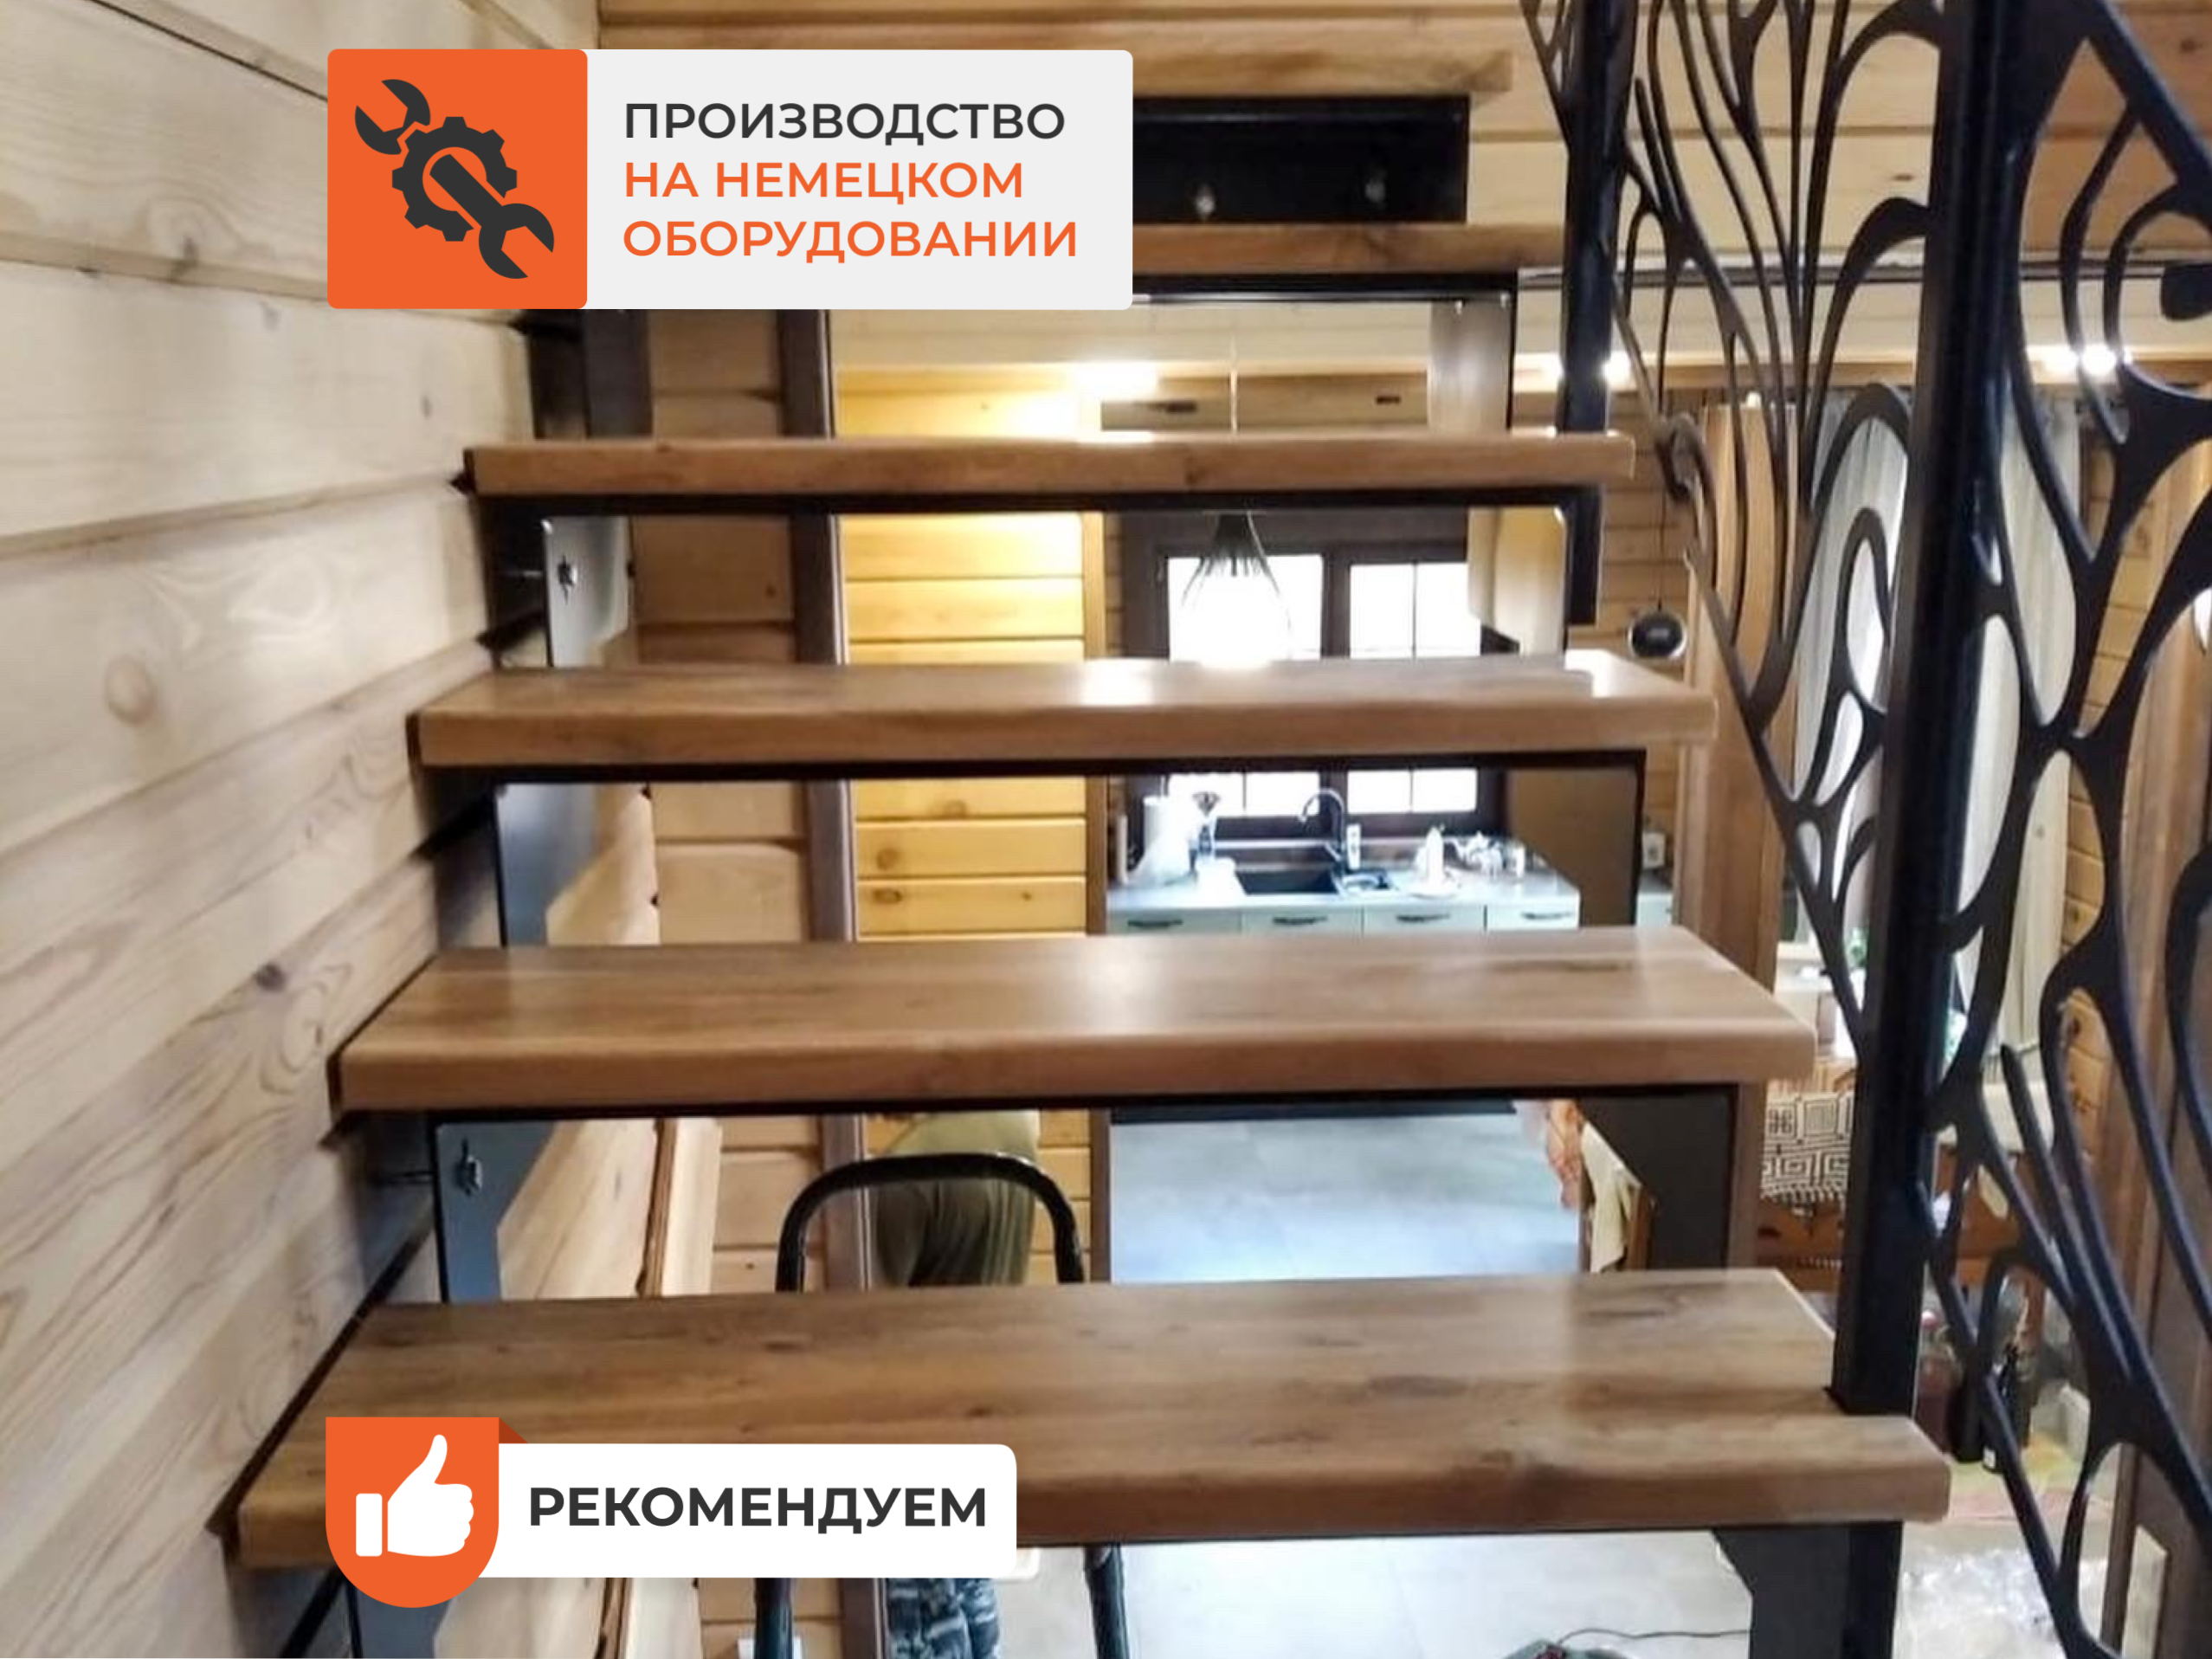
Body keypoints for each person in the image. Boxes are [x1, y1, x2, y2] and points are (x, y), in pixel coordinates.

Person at [873, 1108, 1042, 1659]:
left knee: (923, 1616)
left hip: (917, 1431)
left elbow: (866, 1334)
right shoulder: (1014, 1123)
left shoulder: (905, 1175)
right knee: (968, 1587)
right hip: (983, 1405)